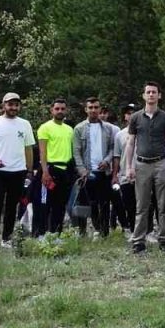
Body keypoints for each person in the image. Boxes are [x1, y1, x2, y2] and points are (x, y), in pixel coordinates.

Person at [124, 82, 165, 253]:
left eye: (154, 92)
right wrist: (129, 167)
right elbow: (130, 143)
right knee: (142, 205)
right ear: (143, 95)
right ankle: (138, 241)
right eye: (148, 92)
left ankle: (164, 239)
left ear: (159, 95)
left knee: (163, 204)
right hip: (141, 164)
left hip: (161, 163)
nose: (151, 95)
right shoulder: (135, 118)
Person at [0, 93, 35, 253]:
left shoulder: (25, 124)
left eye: (16, 104)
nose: (13, 107)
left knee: (13, 206)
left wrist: (30, 171)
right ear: (3, 105)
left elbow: (28, 148)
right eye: (10, 104)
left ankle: (6, 238)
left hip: (18, 171)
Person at [72, 97, 120, 239]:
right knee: (87, 203)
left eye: (96, 107)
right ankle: (85, 230)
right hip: (87, 172)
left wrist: (107, 161)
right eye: (90, 107)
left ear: (100, 109)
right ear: (86, 109)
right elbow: (76, 151)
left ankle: (104, 231)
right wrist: (82, 170)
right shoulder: (79, 128)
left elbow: (113, 148)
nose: (93, 110)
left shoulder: (108, 128)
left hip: (104, 171)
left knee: (104, 203)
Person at [36, 99, 75, 236]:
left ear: (66, 111)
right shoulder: (45, 127)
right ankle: (41, 233)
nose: (60, 111)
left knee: (60, 205)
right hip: (50, 169)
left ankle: (56, 233)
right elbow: (42, 151)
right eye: (57, 109)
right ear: (52, 110)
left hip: (65, 171)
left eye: (62, 109)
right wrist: (45, 171)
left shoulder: (70, 130)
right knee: (45, 204)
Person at [112, 104, 137, 234]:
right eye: (128, 113)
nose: (131, 115)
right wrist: (115, 175)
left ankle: (147, 231)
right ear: (125, 116)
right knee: (129, 205)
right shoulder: (119, 135)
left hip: (142, 173)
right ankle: (133, 231)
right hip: (125, 174)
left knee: (145, 205)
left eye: (133, 112)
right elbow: (116, 156)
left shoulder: (144, 132)